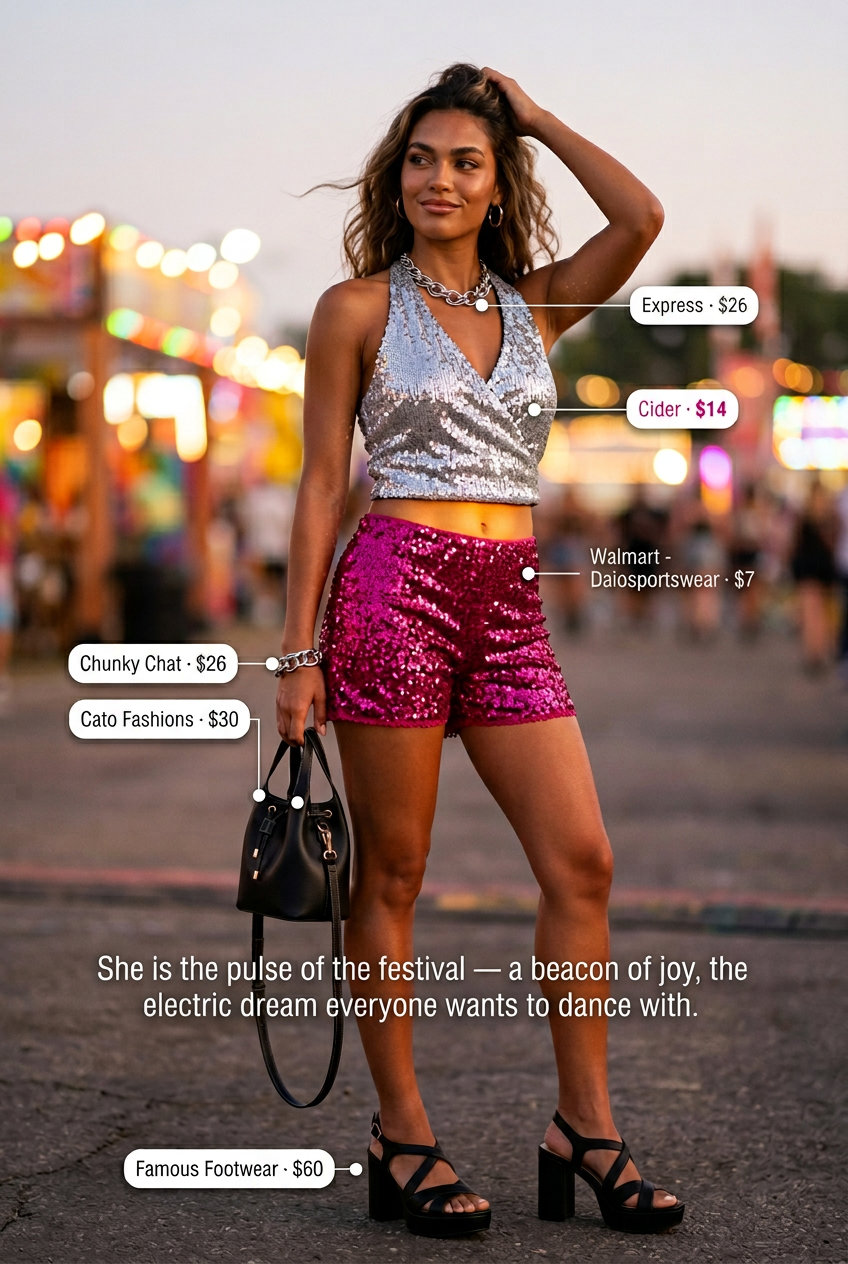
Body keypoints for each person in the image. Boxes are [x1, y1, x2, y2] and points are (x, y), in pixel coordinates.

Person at [276, 63, 684, 1238]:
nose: (437, 179)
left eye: (463, 161)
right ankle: (402, 1136)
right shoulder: (354, 309)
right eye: (419, 158)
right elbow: (318, 487)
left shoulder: (537, 306)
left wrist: (537, 119)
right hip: (390, 593)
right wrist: (294, 654)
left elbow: (643, 217)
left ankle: (583, 1130)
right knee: (391, 875)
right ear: (394, 176)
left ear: (499, 183)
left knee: (581, 862)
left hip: (505, 606)